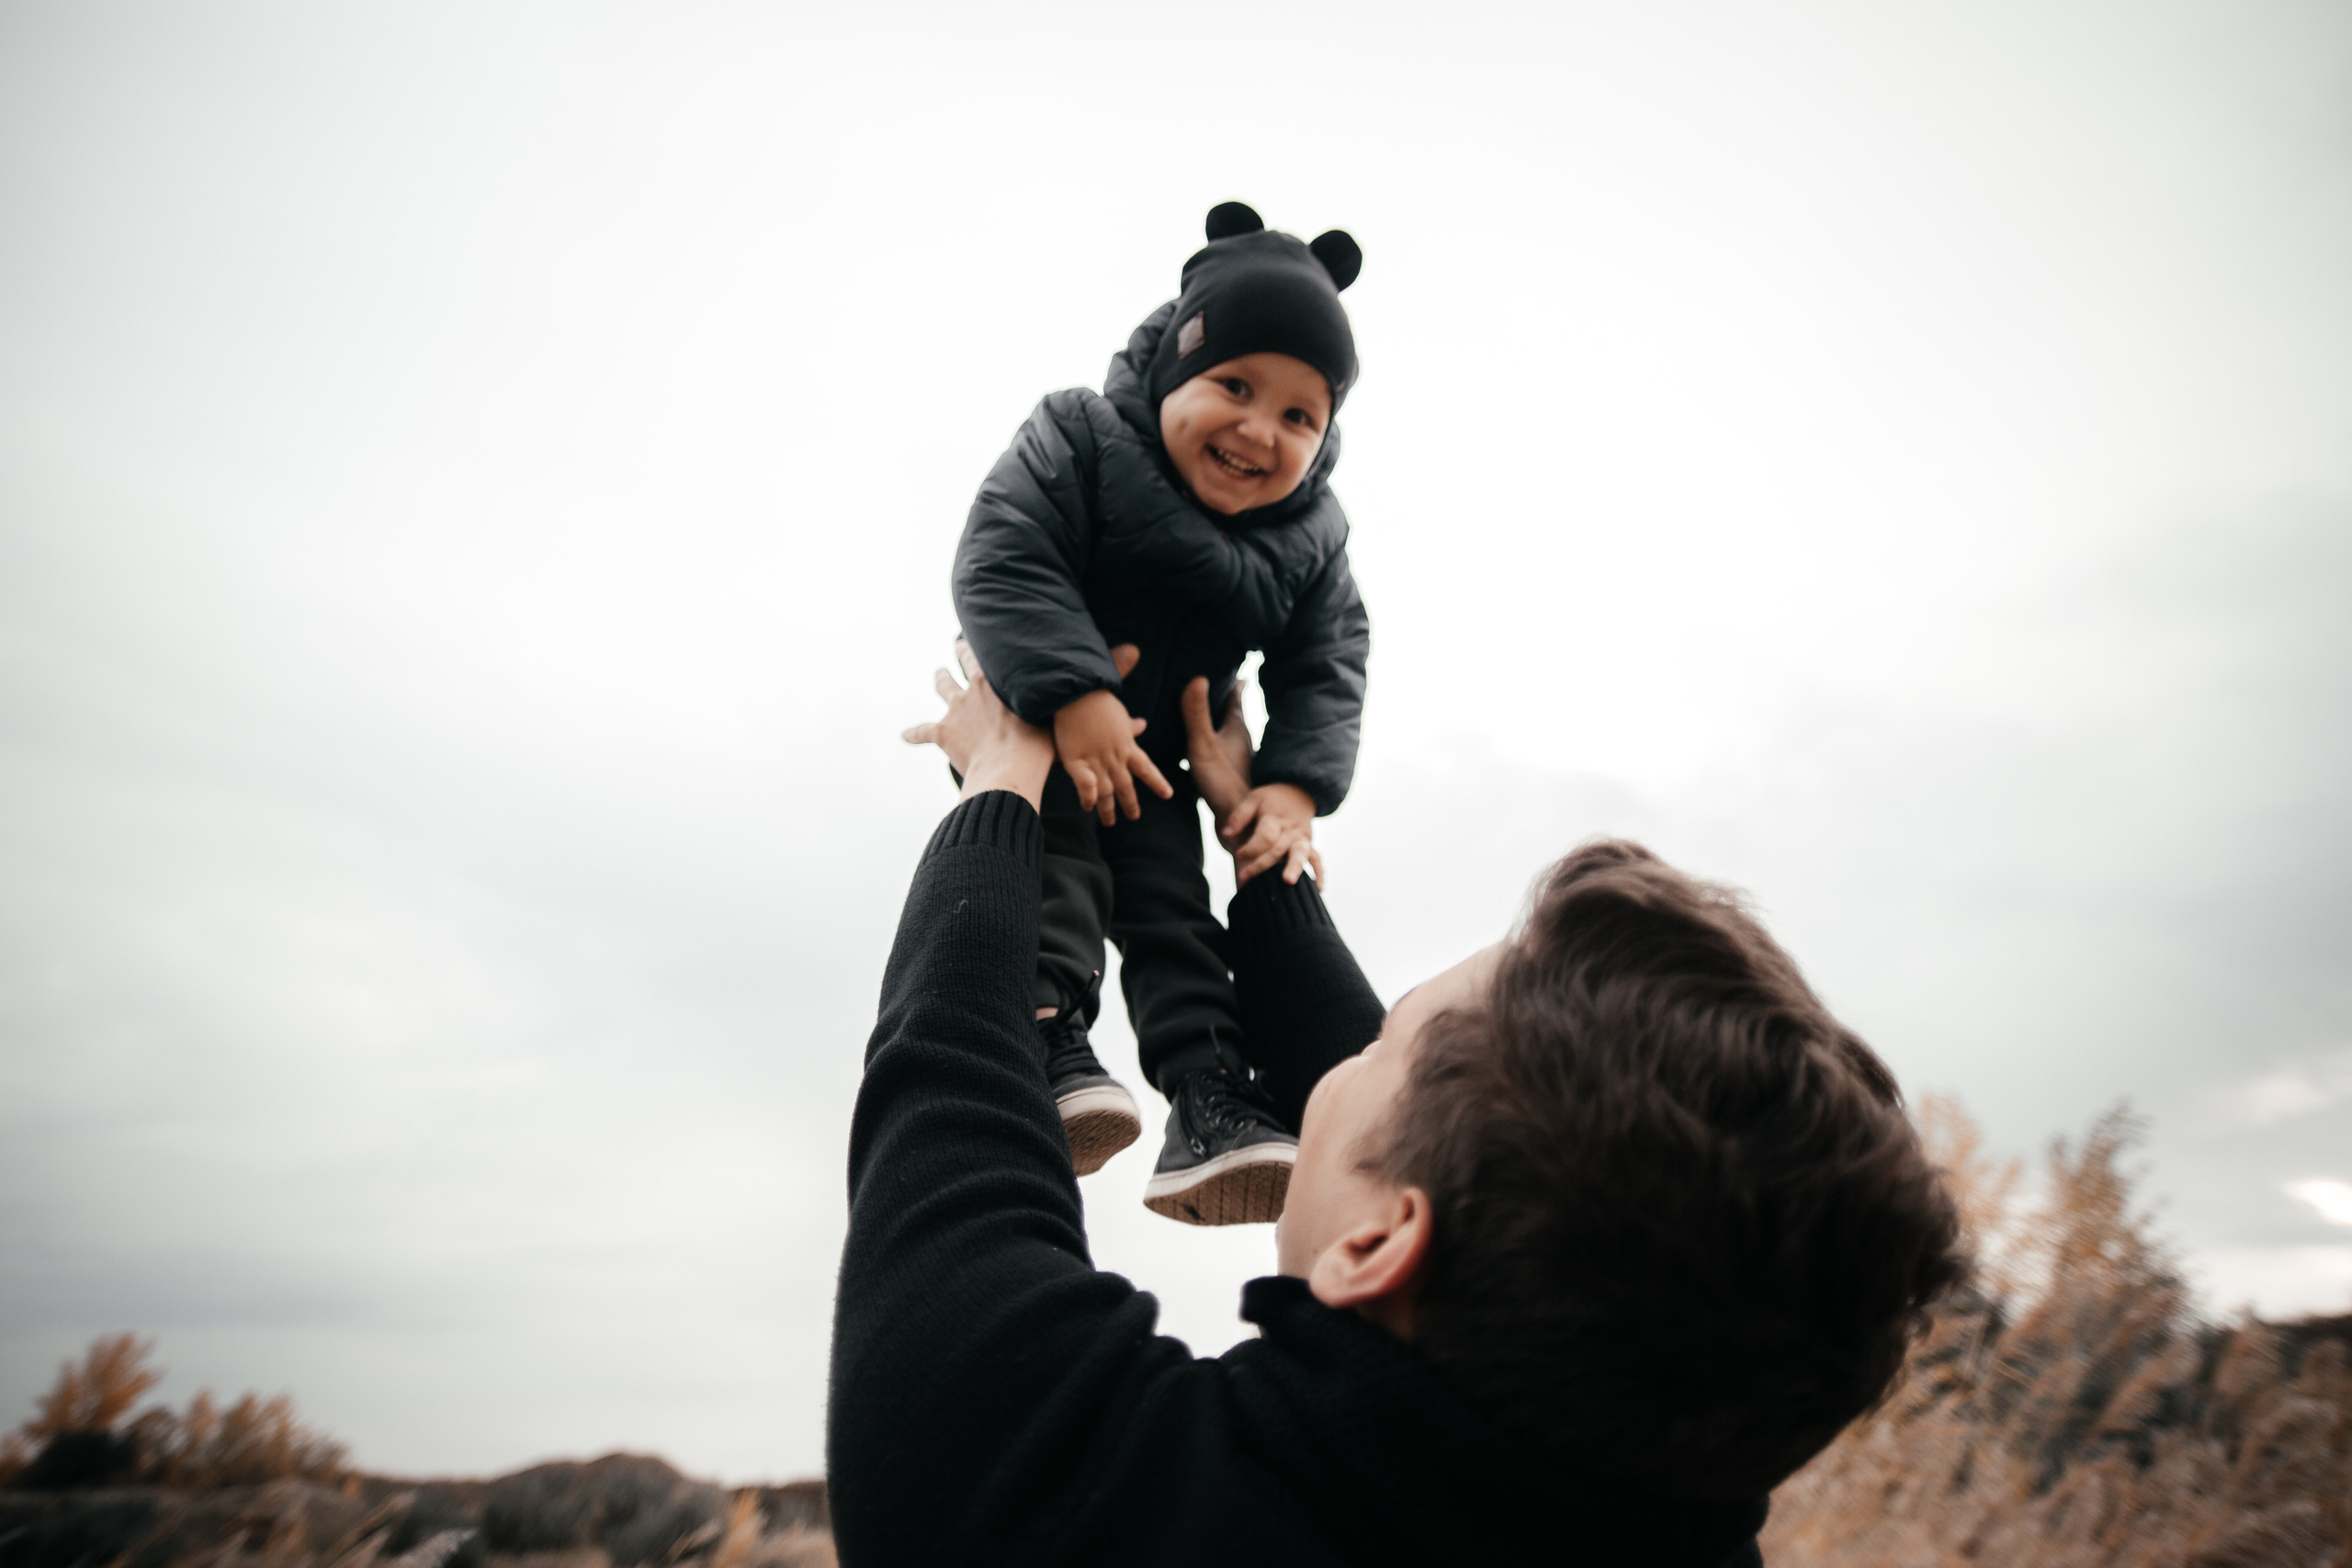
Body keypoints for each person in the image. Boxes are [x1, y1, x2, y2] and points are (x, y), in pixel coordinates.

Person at [831, 651, 1969, 1566]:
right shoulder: (1684, 1490)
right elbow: (1432, 1127)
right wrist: (1254, 838)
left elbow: (949, 1106)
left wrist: (999, 789)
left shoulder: (1096, 1510)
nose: (1345, 1053)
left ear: (1379, 1246)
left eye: (1378, 1046)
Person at [949, 199, 1371, 1224]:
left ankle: (1210, 1096)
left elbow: (1329, 656)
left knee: (1173, 912)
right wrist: (1074, 690)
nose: (1259, 431)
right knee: (1057, 873)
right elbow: (1003, 551)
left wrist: (1290, 786)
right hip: (1041, 731)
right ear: (1177, 370)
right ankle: (1045, 1038)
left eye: (1299, 417)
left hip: (1161, 768)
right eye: (1235, 386)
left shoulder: (1310, 535)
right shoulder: (1082, 437)